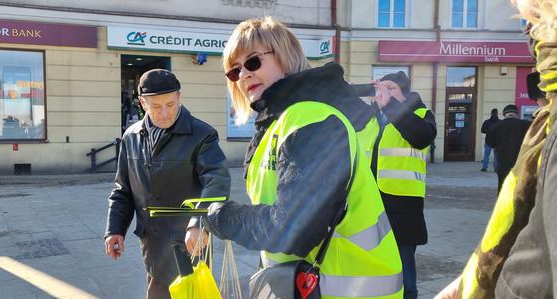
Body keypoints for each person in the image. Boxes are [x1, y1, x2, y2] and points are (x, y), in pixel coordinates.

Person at [192, 17, 404, 298]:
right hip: (312, 283)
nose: (243, 74)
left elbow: (293, 229)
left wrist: (222, 217)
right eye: (234, 71)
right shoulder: (281, 122)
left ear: (285, 57)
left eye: (253, 61)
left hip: (350, 288)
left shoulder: (311, 120)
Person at [436, 0, 557, 297]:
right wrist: (467, 285)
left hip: (501, 160)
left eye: (533, 20)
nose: (530, 35)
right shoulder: (539, 126)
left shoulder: (544, 129)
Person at [104, 69, 230, 299]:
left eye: (170, 104)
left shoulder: (202, 134)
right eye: (156, 106)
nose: (164, 113)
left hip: (190, 242)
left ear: (179, 97)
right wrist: (115, 229)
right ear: (142, 103)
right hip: (152, 243)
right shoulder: (131, 136)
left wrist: (198, 221)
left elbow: (217, 180)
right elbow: (123, 190)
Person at [371, 71, 437, 299]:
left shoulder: (422, 114)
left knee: (405, 271)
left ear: (403, 93)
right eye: (382, 88)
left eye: (391, 89)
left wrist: (389, 108)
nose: (385, 93)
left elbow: (420, 137)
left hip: (403, 205)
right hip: (372, 203)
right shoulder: (374, 117)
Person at [485, 104, 530, 193]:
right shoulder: (527, 124)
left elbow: (489, 143)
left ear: (504, 114)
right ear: (516, 114)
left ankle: (502, 203)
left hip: (503, 160)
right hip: (522, 160)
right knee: (521, 185)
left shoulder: (495, 126)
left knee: (502, 183)